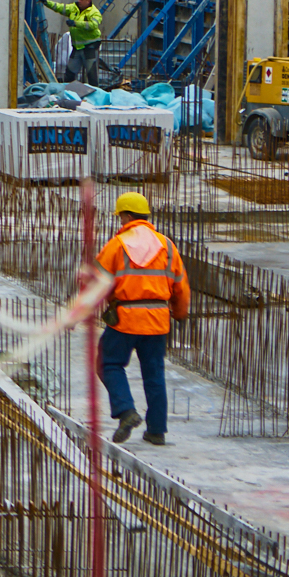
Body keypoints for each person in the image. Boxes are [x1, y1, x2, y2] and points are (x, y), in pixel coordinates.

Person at [97, 191, 191, 446]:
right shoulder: (167, 246)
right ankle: (157, 431)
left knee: (109, 363)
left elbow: (97, 282)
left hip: (125, 319)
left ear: (126, 216)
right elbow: (181, 285)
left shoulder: (117, 245)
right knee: (154, 373)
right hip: (158, 320)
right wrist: (180, 313)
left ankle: (126, 411)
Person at [45, 0, 103, 83]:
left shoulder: (94, 12)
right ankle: (69, 94)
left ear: (88, 0)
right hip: (77, 47)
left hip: (90, 48)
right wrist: (46, 2)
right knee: (70, 74)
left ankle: (94, 94)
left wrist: (75, 23)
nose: (79, 0)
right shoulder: (73, 8)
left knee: (92, 75)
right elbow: (59, 7)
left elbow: (93, 25)